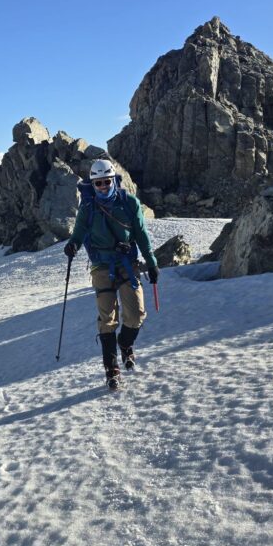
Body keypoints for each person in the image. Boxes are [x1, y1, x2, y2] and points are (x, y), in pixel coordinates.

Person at [63, 159, 159, 390]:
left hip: (127, 263)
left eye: (106, 182)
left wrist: (152, 262)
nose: (103, 187)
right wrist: (73, 245)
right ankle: (112, 370)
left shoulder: (129, 204)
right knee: (107, 319)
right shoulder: (88, 208)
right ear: (93, 184)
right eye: (98, 183)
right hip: (101, 266)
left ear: (113, 180)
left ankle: (125, 344)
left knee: (136, 315)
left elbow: (142, 235)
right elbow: (78, 234)